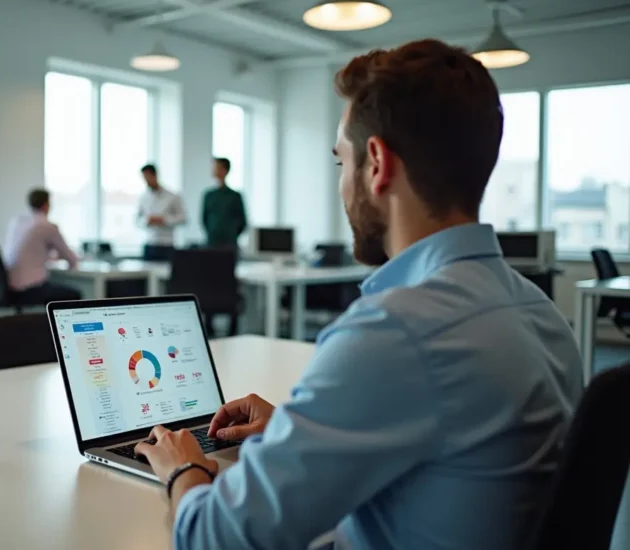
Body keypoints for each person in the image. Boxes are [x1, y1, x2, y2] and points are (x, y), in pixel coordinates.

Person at [133, 39, 583, 550]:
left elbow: (216, 537)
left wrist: (183, 467)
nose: (342, 184)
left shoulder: (395, 331)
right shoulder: (542, 314)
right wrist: (300, 433)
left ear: (376, 164)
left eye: (340, 163)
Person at [2, 189, 81, 304]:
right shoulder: (46, 226)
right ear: (46, 205)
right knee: (74, 294)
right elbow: (71, 259)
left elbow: (28, 252)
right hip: (29, 287)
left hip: (8, 284)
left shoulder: (17, 221)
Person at [137, 164, 186, 259]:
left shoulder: (172, 196)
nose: (146, 181)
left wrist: (164, 220)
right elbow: (137, 220)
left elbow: (183, 218)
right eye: (144, 178)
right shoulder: (143, 198)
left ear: (155, 175)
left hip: (167, 245)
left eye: (148, 177)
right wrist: (147, 221)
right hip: (150, 244)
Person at [201, 158, 247, 248]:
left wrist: (231, 234)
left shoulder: (235, 196)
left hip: (230, 242)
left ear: (225, 170)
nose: (214, 170)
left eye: (217, 167)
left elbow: (242, 221)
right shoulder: (209, 195)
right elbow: (204, 219)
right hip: (213, 241)